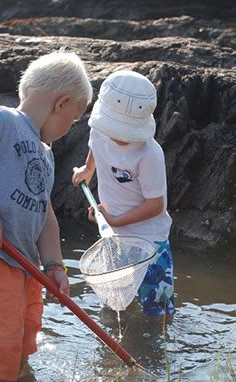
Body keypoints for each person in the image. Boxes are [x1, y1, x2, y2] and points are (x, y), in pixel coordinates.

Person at [0, 50, 92, 382]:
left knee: (21, 345)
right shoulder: (2, 120)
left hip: (26, 266)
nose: (69, 129)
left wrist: (54, 266)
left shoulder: (46, 153)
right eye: (74, 120)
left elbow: (45, 213)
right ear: (62, 103)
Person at [72, 70, 175, 319]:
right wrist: (88, 169)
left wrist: (115, 220)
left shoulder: (149, 154)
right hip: (115, 239)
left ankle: (155, 349)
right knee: (116, 305)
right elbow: (96, 148)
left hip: (150, 241)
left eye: (125, 133)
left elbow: (156, 206)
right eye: (113, 129)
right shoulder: (98, 131)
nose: (117, 137)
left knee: (158, 311)